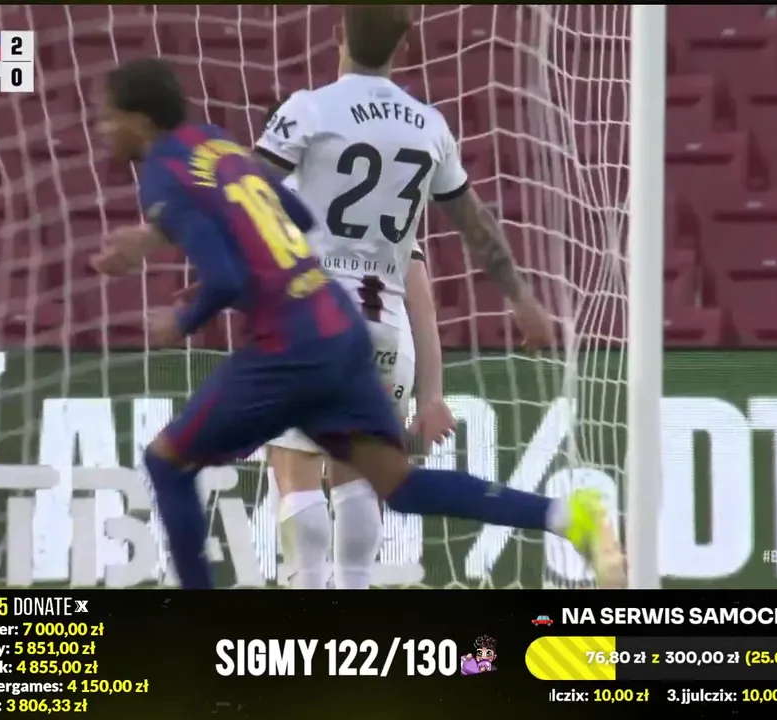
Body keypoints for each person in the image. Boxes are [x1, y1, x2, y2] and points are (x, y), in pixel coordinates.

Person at [89, 55, 625, 590]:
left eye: (109, 117)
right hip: (339, 327)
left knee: (167, 463)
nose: (103, 129)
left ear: (141, 120)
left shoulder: (162, 174)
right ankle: (567, 515)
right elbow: (298, 215)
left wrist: (181, 320)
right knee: (401, 486)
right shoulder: (216, 144)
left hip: (288, 344)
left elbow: (226, 279)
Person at [253, 6, 547, 589]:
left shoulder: (310, 109)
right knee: (360, 475)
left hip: (312, 319)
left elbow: (242, 189)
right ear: (405, 47)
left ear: (337, 36)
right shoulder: (429, 127)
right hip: (386, 330)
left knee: (296, 467)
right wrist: (520, 296)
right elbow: (475, 227)